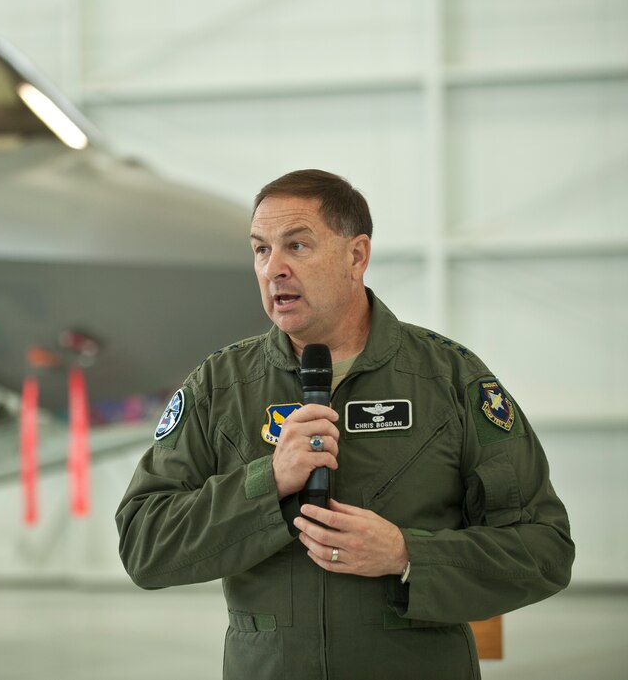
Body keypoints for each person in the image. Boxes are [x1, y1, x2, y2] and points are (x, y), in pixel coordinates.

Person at [115, 169, 573, 679]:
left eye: (297, 245)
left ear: (357, 256)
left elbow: (544, 549)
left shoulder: (450, 378)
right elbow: (144, 546)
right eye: (261, 249)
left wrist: (407, 555)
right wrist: (268, 482)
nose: (273, 269)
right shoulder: (219, 387)